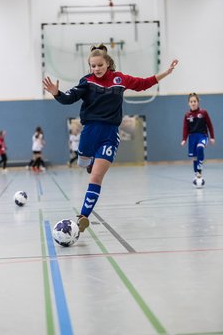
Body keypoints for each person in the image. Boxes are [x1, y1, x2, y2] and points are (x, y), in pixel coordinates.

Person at [43, 43, 178, 232]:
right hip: (90, 131)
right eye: (93, 66)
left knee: (96, 177)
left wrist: (166, 72)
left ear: (108, 63)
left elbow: (143, 83)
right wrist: (56, 93)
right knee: (82, 164)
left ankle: (83, 216)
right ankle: (88, 162)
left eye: (99, 65)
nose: (96, 69)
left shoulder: (120, 79)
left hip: (110, 134)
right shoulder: (87, 81)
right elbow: (68, 98)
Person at [181, 92, 215, 183]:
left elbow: (209, 125)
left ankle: (199, 170)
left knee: (200, 148)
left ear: (198, 102)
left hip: (202, 136)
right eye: (191, 101)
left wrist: (212, 137)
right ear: (188, 103)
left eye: (195, 101)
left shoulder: (203, 113)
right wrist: (184, 139)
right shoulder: (187, 115)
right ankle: (197, 175)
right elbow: (185, 128)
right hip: (192, 138)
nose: (193, 103)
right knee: (194, 158)